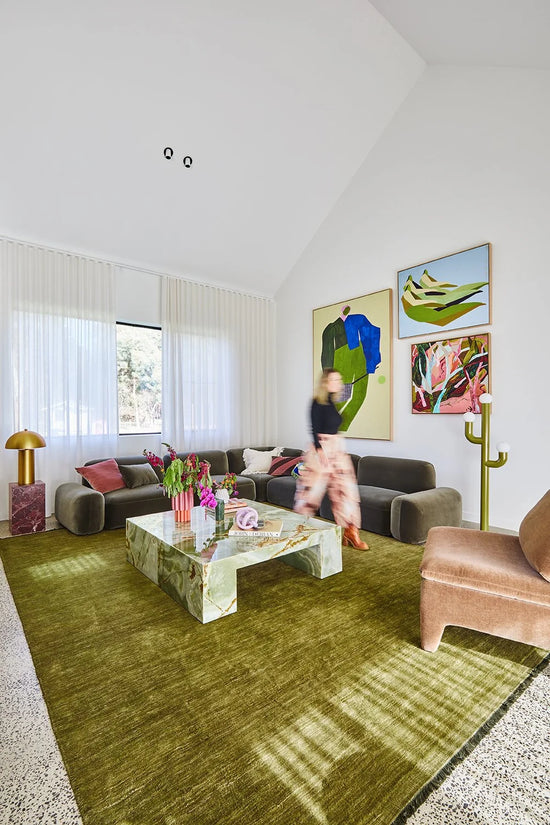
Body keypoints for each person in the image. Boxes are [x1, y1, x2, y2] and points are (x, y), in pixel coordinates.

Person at [294, 368, 368, 550]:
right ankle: (298, 533)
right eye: (334, 380)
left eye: (339, 380)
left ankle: (351, 531)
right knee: (310, 493)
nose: (338, 383)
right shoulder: (316, 403)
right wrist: (321, 453)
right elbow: (313, 429)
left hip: (338, 450)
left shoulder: (333, 403)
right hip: (321, 450)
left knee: (347, 491)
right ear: (325, 382)